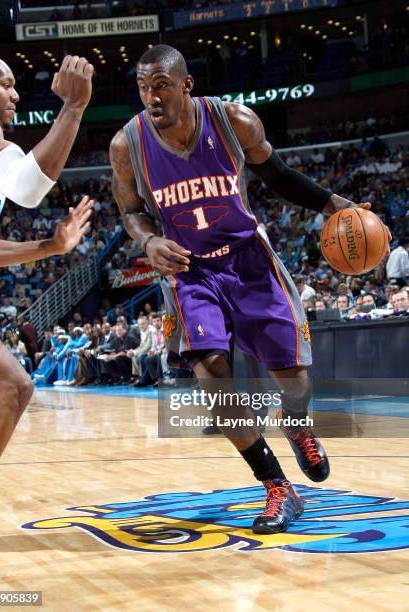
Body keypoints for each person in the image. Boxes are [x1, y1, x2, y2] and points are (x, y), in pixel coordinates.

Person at [109, 44, 389, 535]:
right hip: (190, 271)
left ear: (186, 85)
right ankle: (278, 488)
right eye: (143, 86)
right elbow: (131, 211)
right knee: (214, 382)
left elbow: (277, 176)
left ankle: (295, 419)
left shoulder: (234, 121)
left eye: (162, 85)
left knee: (294, 377)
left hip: (249, 261)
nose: (151, 96)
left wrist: (340, 206)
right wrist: (149, 239)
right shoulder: (126, 144)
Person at [0, 53, 94, 582]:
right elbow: (29, 186)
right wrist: (72, 107)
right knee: (14, 388)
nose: (15, 95)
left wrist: (48, 246)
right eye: (5, 84)